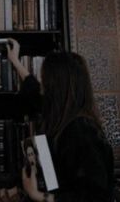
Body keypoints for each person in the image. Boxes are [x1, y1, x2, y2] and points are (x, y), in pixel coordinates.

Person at [6, 38, 115, 202]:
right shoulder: (64, 117)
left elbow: (95, 197)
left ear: (57, 85)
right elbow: (35, 92)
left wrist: (38, 195)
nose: (41, 82)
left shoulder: (82, 131)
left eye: (45, 78)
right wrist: (15, 60)